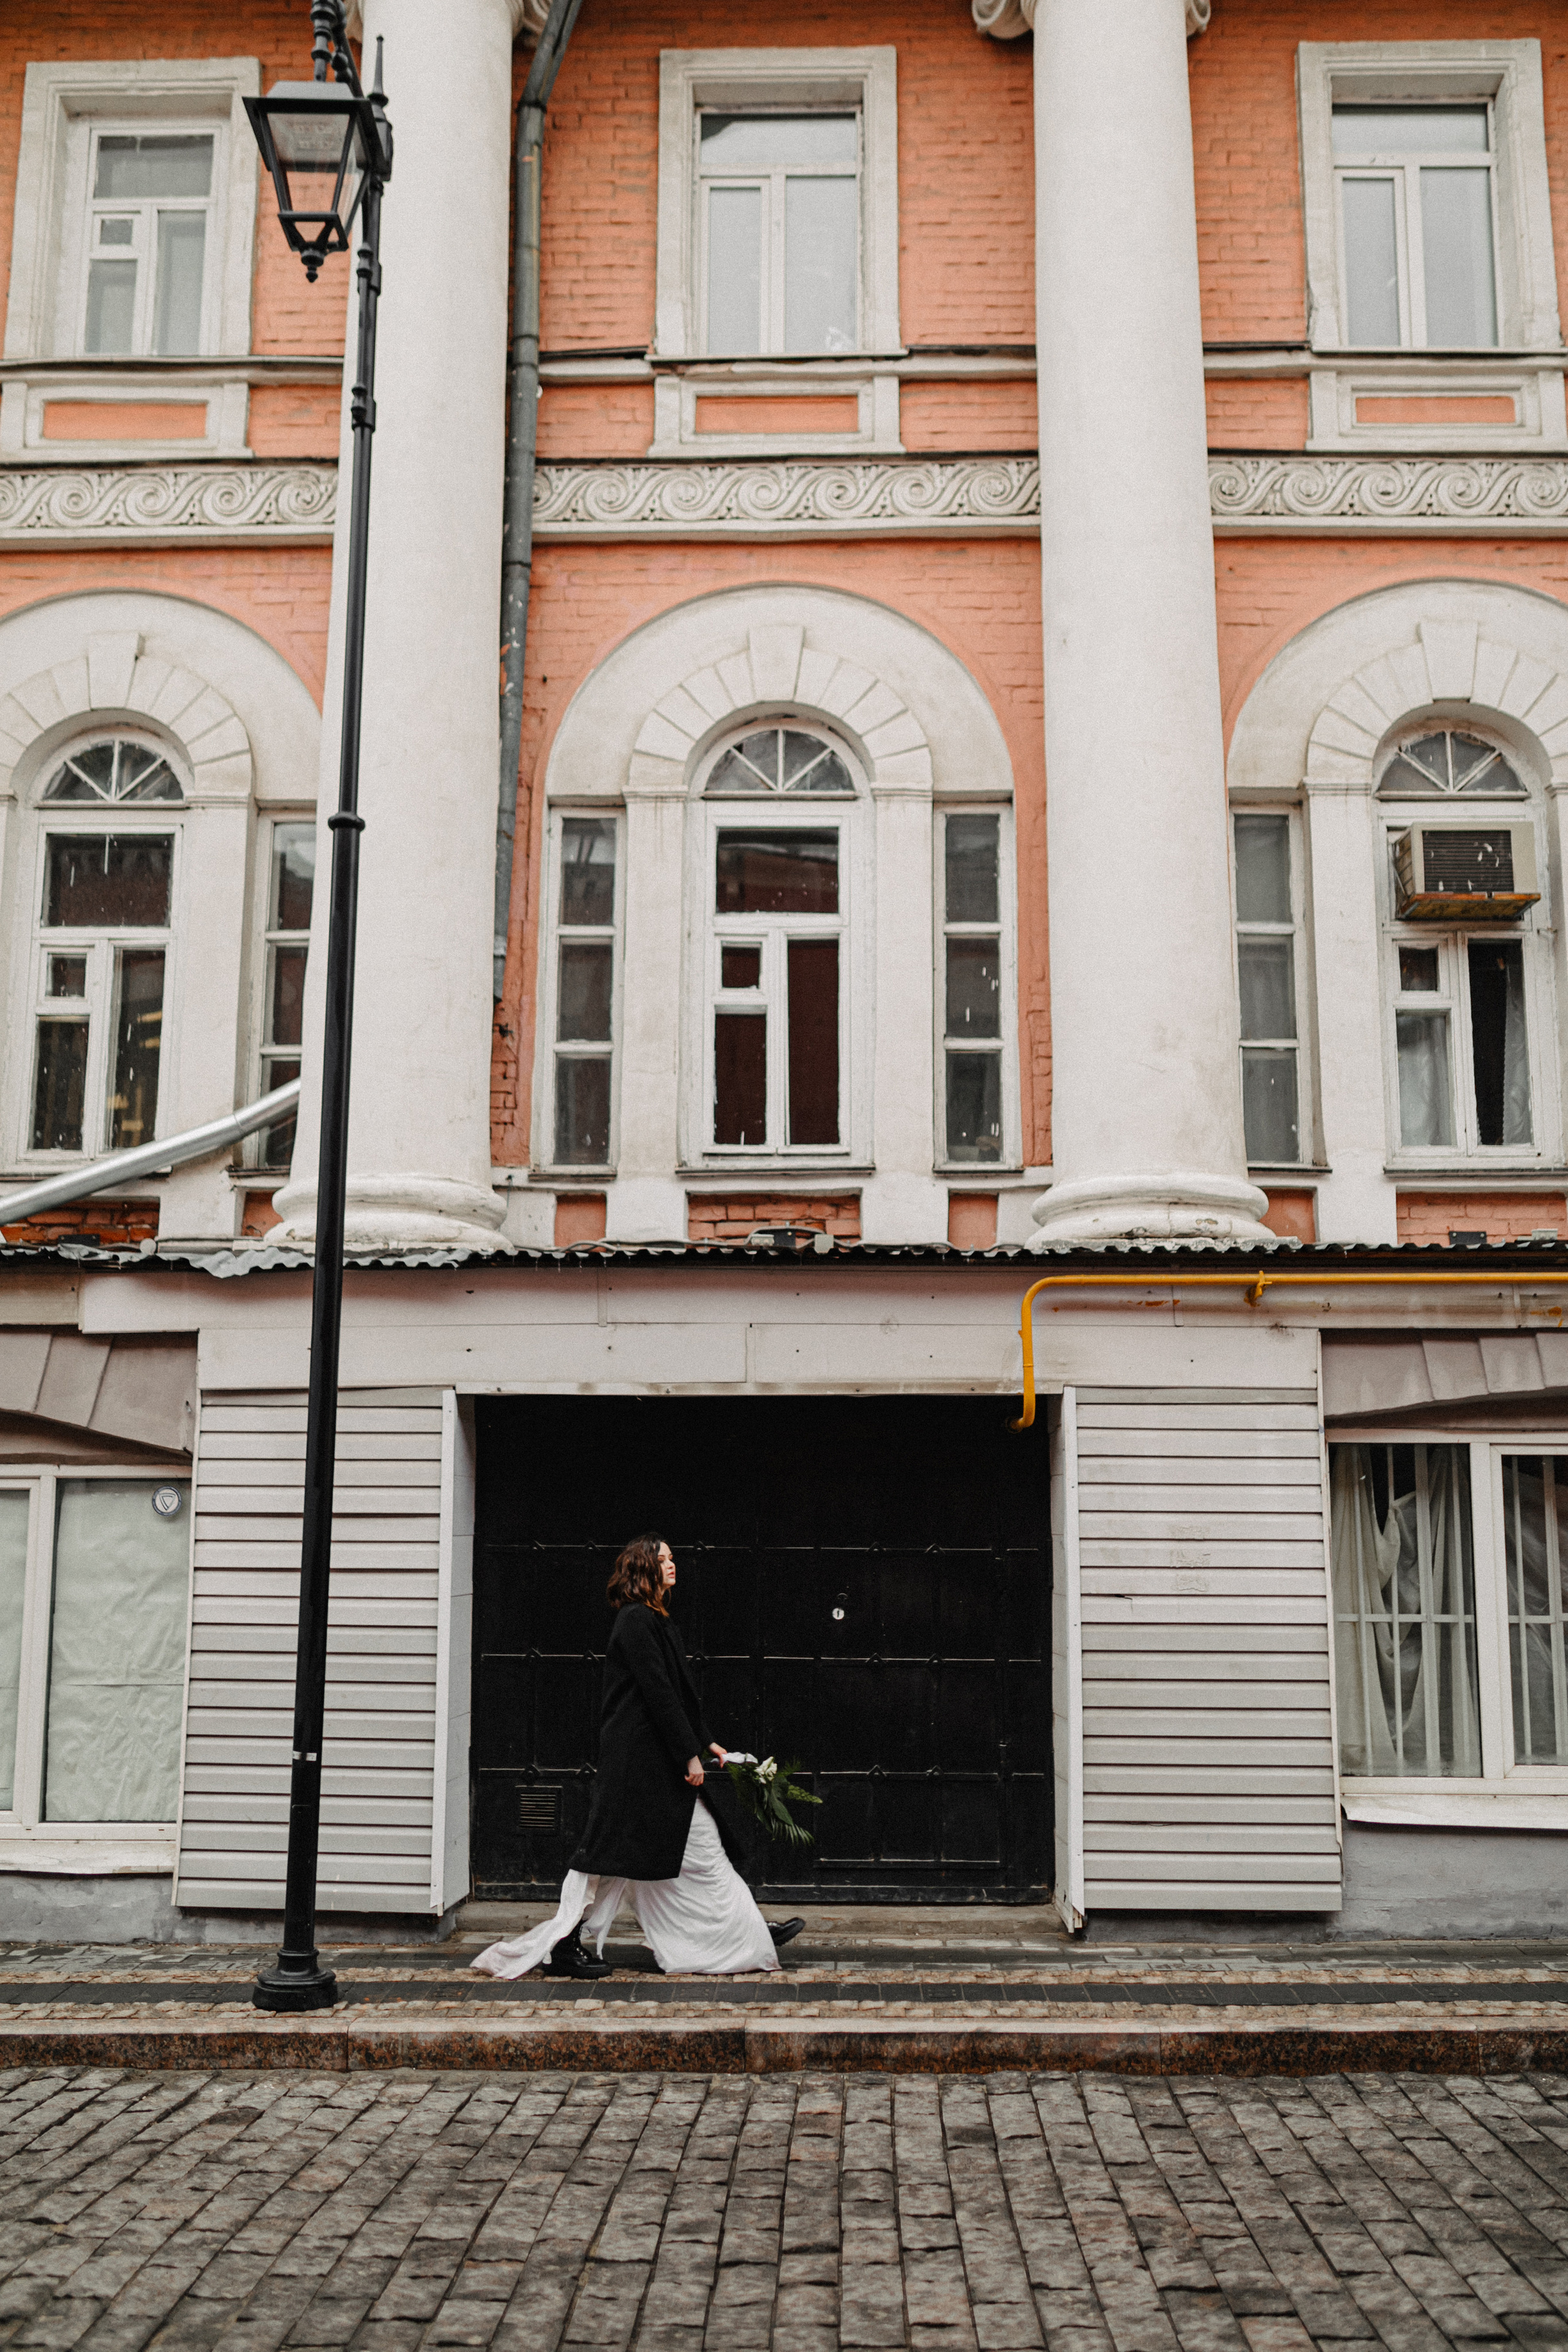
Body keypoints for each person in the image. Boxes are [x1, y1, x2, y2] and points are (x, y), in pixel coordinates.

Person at [471, 1532, 805, 1980]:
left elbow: (678, 1693)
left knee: (688, 1854)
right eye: (665, 1560)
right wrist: (689, 1756)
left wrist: (706, 1743)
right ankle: (566, 1946)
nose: (673, 1566)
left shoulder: (656, 1620)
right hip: (639, 1767)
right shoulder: (635, 1621)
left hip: (654, 1763)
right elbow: (658, 1693)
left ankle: (744, 1930)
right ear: (645, 1570)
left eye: (672, 1559)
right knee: (606, 1862)